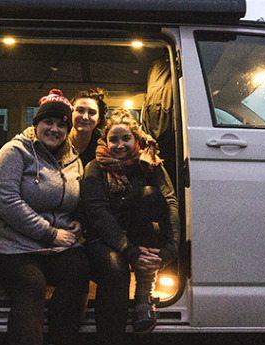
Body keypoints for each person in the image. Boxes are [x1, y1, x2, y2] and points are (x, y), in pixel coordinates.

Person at [0, 89, 90, 345]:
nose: (55, 129)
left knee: (78, 272)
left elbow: (78, 197)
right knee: (32, 286)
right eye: (48, 122)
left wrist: (78, 219)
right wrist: (49, 233)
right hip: (9, 245)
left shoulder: (73, 159)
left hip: (54, 245)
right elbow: (7, 200)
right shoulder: (14, 152)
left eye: (62, 125)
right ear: (36, 124)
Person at [80, 110, 180, 342]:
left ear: (136, 140)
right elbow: (97, 214)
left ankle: (144, 297)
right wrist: (129, 250)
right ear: (105, 142)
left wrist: (169, 250)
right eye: (113, 139)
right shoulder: (95, 167)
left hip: (141, 237)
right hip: (103, 238)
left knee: (148, 195)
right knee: (116, 269)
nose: (120, 144)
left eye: (126, 138)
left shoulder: (151, 165)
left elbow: (171, 202)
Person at [68, 88, 107, 165]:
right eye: (80, 110)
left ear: (99, 119)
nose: (85, 117)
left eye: (92, 113)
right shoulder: (58, 137)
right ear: (71, 113)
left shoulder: (102, 146)